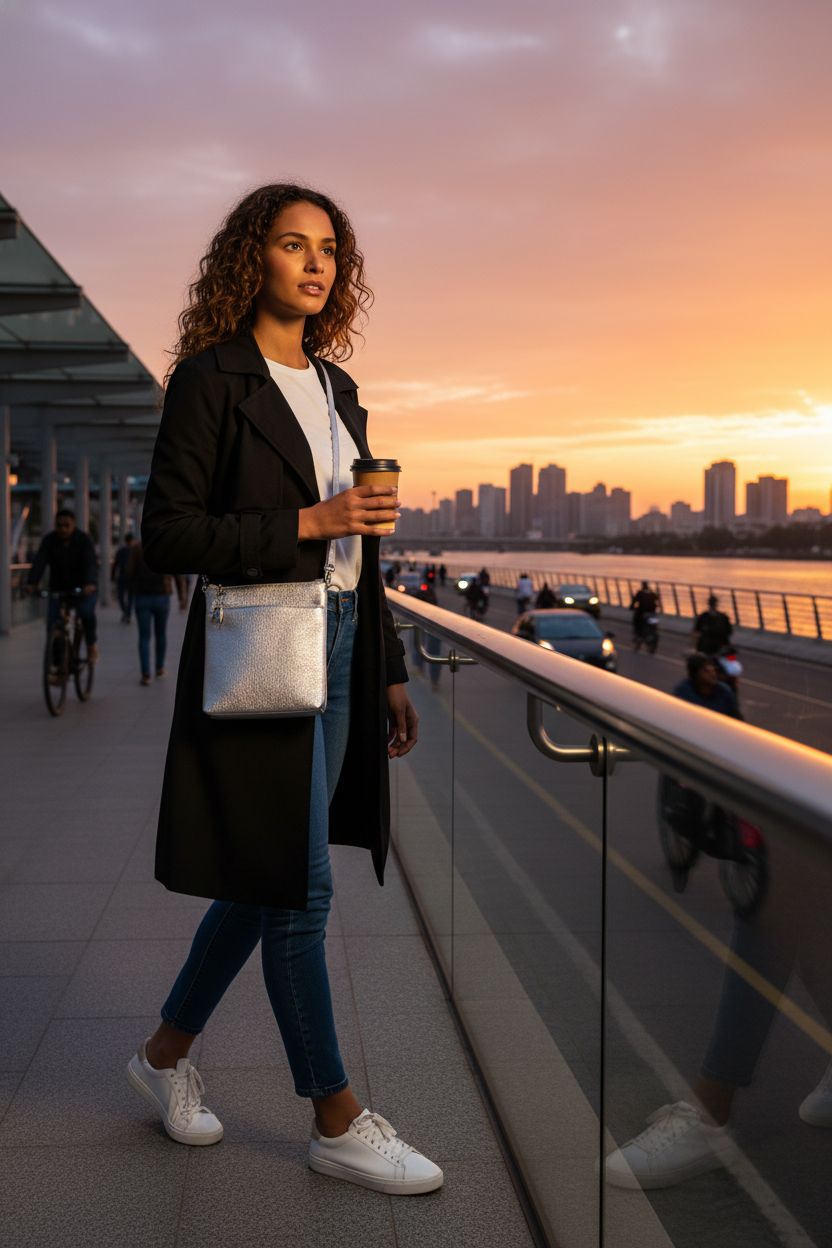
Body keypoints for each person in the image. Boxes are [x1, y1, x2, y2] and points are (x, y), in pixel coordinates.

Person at [128, 184, 442, 1195]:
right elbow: (168, 533)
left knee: (266, 875)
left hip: (344, 643)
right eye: (293, 243)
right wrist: (310, 522)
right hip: (264, 644)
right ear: (250, 258)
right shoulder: (210, 380)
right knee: (302, 888)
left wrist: (388, 668)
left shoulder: (339, 390)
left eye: (329, 249)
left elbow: (363, 552)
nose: (315, 263)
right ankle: (335, 1118)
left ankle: (162, 1057)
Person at [26, 508, 99, 662]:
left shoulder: (83, 540)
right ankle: (57, 663)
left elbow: (90, 563)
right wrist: (32, 582)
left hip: (83, 589)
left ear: (74, 525)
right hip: (58, 588)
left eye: (67, 525)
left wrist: (90, 583)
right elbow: (40, 561)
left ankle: (91, 645)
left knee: (86, 614)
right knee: (52, 624)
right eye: (59, 525)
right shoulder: (49, 540)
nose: (63, 529)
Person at [127, 541, 173, 685]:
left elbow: (129, 571)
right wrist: (183, 595)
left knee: (144, 637)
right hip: (162, 597)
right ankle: (159, 668)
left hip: (142, 597)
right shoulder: (164, 545)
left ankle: (146, 674)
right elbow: (174, 571)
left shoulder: (137, 548)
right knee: (161, 634)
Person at [673, 651, 741, 719]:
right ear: (696, 673)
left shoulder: (724, 692)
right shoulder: (684, 692)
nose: (712, 674)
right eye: (706, 670)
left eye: (713, 670)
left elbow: (736, 717)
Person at [111, 532, 135, 623]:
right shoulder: (134, 551)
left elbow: (115, 565)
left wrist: (112, 576)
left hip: (122, 576)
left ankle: (126, 612)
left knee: (121, 597)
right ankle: (127, 613)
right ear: (132, 541)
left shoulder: (120, 551)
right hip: (131, 578)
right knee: (130, 597)